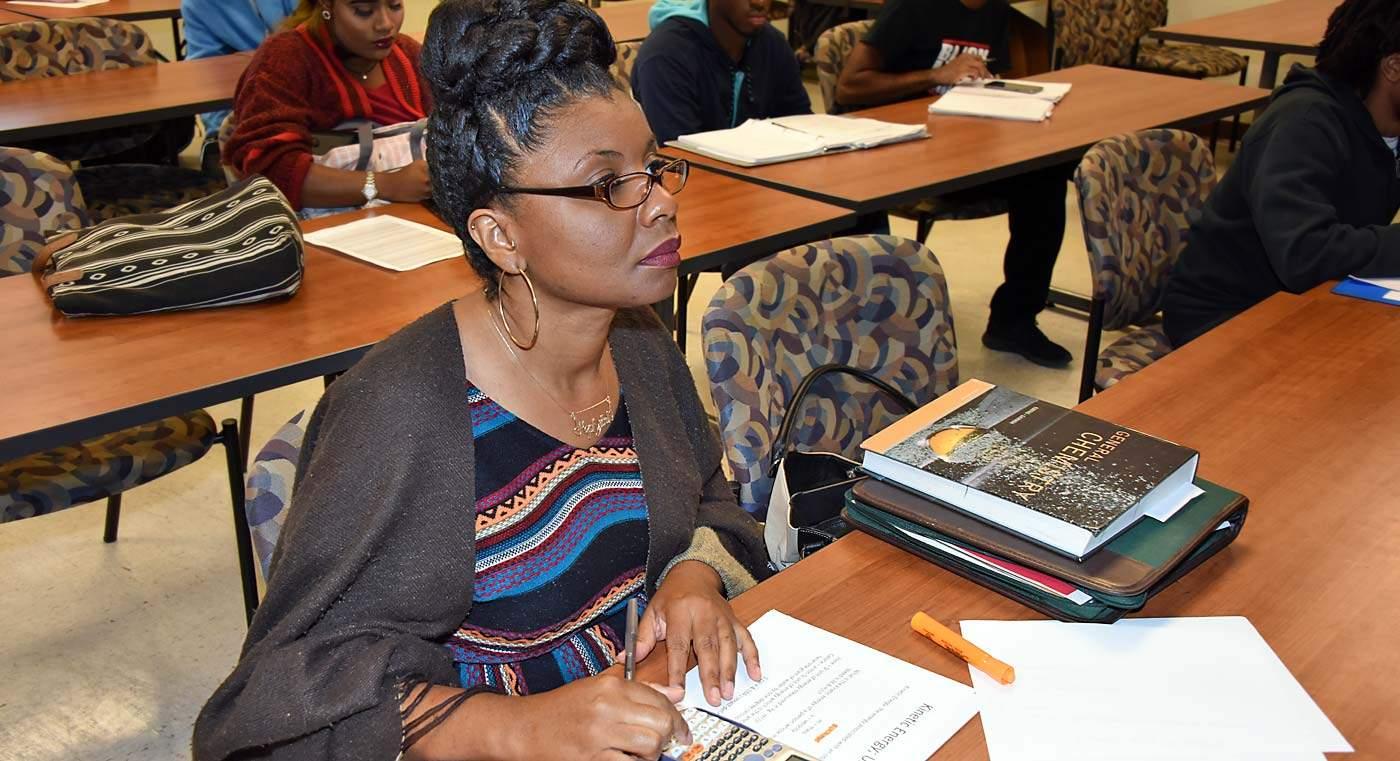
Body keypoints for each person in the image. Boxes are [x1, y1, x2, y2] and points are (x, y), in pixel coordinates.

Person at [193, 1, 770, 759]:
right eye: (607, 186)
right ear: (502, 236)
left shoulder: (640, 345)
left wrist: (695, 572)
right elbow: (268, 704)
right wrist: (515, 726)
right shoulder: (394, 412)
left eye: (653, 168)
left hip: (657, 709)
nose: (661, 201)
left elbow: (711, 499)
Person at [835, 0, 1075, 368]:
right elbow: (848, 87)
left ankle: (1014, 319)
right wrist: (934, 75)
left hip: (962, 148)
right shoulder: (910, 8)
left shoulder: (995, 12)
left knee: (1045, 177)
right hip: (898, 156)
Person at [1163, 0, 1400, 347]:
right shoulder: (1301, 124)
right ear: (1393, 67)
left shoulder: (1387, 122)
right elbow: (1306, 253)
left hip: (1311, 299)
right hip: (1226, 314)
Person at [223, 0, 433, 212]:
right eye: (364, 11)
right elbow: (273, 173)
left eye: (395, 6)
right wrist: (383, 185)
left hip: (410, 218)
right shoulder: (284, 60)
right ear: (326, 5)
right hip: (322, 229)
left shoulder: (410, 56)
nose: (385, 24)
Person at [631, 0, 811, 144]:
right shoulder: (666, 53)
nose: (760, 3)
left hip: (757, 177)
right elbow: (679, 151)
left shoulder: (772, 43)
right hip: (690, 181)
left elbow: (802, 125)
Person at [182, 0, 298, 139]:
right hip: (253, 115)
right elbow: (206, 76)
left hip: (313, 99)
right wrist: (221, 133)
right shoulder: (198, 5)